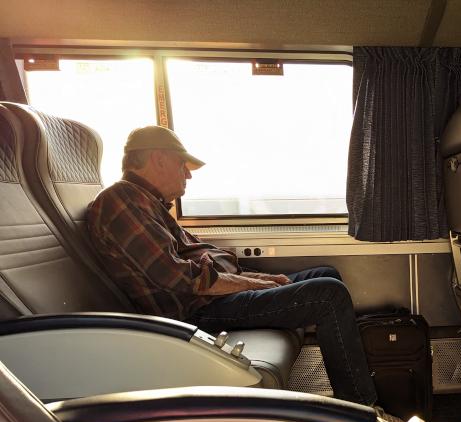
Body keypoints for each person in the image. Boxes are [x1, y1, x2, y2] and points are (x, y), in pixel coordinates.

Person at [86, 125, 378, 407]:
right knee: (328, 294)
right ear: (158, 159)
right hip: (198, 312)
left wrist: (263, 277)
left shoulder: (149, 204)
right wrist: (256, 283)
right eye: (182, 165)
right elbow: (183, 279)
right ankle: (362, 407)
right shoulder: (120, 201)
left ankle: (344, 391)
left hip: (214, 296)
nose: (187, 174)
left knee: (324, 274)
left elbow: (206, 263)